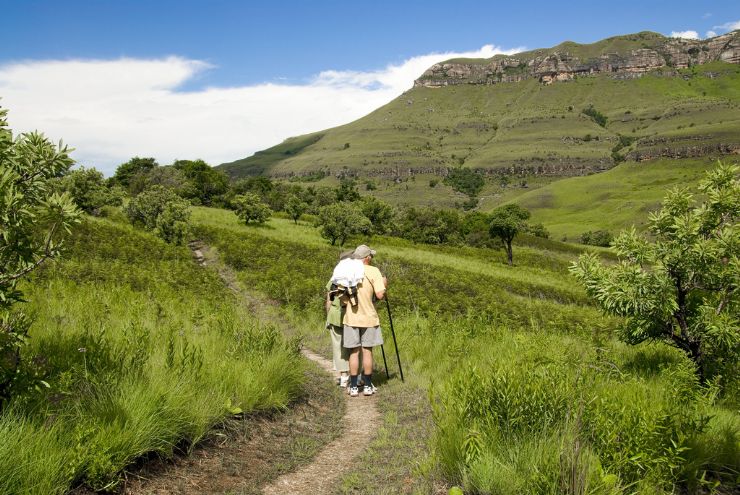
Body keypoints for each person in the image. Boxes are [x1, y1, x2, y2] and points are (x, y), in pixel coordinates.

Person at [343, 244, 387, 397]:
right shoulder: (374, 271)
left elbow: (342, 299)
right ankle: (368, 386)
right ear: (367, 258)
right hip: (369, 318)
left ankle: (354, 386)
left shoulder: (348, 271)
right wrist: (385, 285)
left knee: (353, 352)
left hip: (351, 317)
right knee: (367, 351)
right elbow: (380, 295)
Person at [325, 250, 355, 387]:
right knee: (352, 346)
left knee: (338, 345)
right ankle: (356, 374)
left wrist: (328, 316)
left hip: (335, 314)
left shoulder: (334, 278)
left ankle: (343, 376)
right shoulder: (355, 278)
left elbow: (329, 300)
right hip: (350, 315)